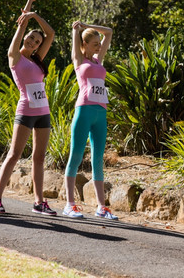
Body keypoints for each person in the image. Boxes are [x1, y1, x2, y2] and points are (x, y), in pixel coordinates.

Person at [0, 0, 56, 215]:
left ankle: (39, 202)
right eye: (31, 38)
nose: (33, 42)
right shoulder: (15, 57)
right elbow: (19, 33)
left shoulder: (37, 59)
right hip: (26, 110)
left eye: (36, 42)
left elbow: (51, 33)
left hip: (43, 111)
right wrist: (27, 8)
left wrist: (36, 15)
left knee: (39, 157)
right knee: (14, 154)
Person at [62, 21, 117, 220]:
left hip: (100, 113)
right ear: (84, 45)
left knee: (98, 159)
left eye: (99, 44)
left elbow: (109, 32)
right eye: (95, 44)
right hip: (84, 110)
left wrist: (87, 24)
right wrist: (76, 30)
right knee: (75, 157)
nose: (99, 47)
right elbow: (75, 38)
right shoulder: (79, 60)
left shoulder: (98, 60)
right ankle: (70, 204)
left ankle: (102, 207)